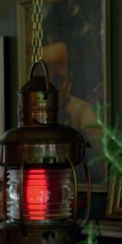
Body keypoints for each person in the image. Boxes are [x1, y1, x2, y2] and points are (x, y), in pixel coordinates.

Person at [42, 41, 104, 183]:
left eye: (57, 80)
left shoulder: (84, 115)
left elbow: (106, 169)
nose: (51, 89)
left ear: (69, 80)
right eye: (44, 82)